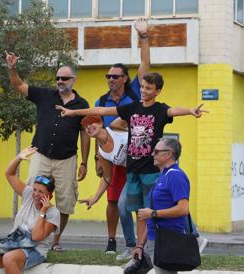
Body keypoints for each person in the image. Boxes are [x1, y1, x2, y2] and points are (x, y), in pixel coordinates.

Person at [56, 72, 207, 259]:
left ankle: (193, 237)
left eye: (149, 88)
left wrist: (191, 110)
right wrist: (72, 112)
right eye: (142, 87)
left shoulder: (160, 110)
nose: (144, 91)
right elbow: (102, 111)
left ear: (157, 91)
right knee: (126, 207)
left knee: (161, 206)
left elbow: (174, 110)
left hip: (151, 172)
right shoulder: (132, 108)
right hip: (133, 172)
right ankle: (134, 247)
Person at [6, 53, 90, 251]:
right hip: (41, 154)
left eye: (65, 78)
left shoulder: (82, 105)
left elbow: (85, 135)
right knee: (32, 194)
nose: (60, 81)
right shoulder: (44, 95)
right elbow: (19, 85)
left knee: (65, 201)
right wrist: (12, 68)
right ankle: (29, 234)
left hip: (67, 159)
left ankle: (55, 241)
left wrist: (85, 162)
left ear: (73, 80)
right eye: (58, 78)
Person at [94, 17, 149, 258]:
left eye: (115, 76)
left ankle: (141, 244)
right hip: (114, 159)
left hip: (137, 157)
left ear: (125, 79)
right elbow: (97, 132)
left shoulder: (135, 93)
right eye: (108, 76)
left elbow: (145, 64)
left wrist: (143, 36)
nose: (111, 79)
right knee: (115, 202)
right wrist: (98, 158)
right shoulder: (101, 102)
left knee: (138, 204)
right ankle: (118, 242)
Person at [0, 146, 60, 274]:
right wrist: (19, 158)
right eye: (35, 190)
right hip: (15, 243)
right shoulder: (28, 194)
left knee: (9, 258)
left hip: (36, 250)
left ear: (49, 195)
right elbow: (9, 174)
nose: (36, 194)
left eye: (41, 192)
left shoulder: (53, 213)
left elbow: (37, 236)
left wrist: (43, 211)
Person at [133, 137, 190, 274]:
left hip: (166, 241)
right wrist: (141, 245)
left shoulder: (175, 176)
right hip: (153, 240)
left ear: (168, 154)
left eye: (156, 151)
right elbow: (151, 215)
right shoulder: (162, 177)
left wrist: (153, 213)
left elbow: (183, 209)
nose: (152, 154)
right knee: (131, 271)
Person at [77, 115, 128, 254]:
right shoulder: (101, 153)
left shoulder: (115, 126)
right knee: (122, 205)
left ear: (100, 123)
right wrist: (95, 197)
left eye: (91, 123)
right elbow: (107, 177)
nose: (88, 128)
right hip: (130, 172)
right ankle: (131, 246)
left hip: (148, 164)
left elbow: (135, 115)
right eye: (85, 127)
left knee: (158, 201)